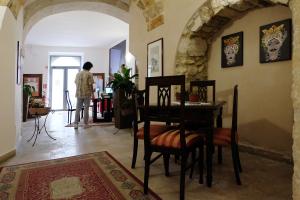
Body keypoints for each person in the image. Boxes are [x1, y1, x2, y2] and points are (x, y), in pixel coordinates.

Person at [74, 61, 94, 129]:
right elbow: (90, 85)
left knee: (78, 109)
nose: (91, 69)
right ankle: (85, 124)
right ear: (89, 67)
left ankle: (75, 124)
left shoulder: (78, 74)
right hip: (87, 94)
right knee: (86, 109)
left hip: (79, 93)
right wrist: (93, 94)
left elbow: (76, 83)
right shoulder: (89, 74)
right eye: (90, 67)